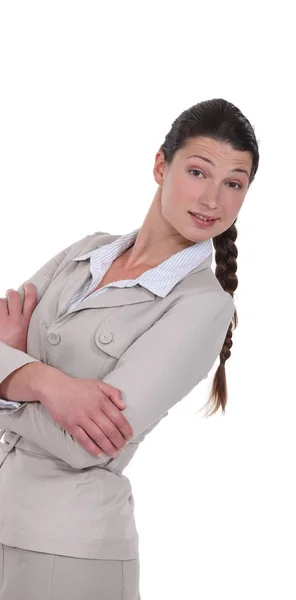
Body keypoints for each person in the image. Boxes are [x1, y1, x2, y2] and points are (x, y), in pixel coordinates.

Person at [0, 98, 259, 599]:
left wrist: (9, 367)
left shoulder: (203, 306)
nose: (212, 200)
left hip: (69, 552)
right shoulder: (87, 251)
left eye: (234, 183)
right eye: (198, 172)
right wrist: (45, 383)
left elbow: (85, 443)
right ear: (161, 165)